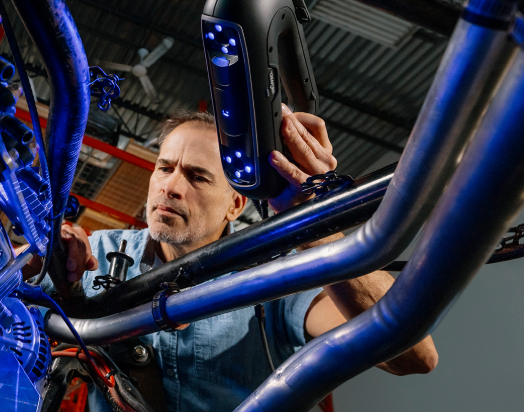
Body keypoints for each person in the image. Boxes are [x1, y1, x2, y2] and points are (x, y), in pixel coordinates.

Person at [34, 105, 438, 412]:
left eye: (197, 176)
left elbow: (414, 355)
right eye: (164, 167)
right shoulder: (99, 253)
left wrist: (308, 222)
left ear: (235, 204)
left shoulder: (274, 280)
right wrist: (43, 257)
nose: (171, 186)